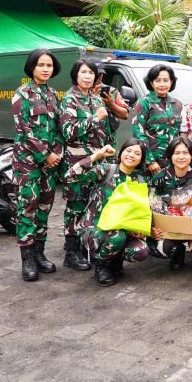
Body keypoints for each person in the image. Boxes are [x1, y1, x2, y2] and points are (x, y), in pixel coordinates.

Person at [60, 59, 116, 273]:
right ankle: (71, 252)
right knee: (75, 205)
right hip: (78, 162)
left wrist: (108, 148)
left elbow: (102, 131)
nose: (88, 76)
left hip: (99, 160)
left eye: (91, 73)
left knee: (92, 204)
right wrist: (94, 118)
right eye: (84, 72)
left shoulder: (95, 98)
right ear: (76, 75)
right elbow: (67, 133)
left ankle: (86, 248)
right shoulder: (69, 100)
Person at [12, 49, 63, 282]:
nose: (45, 69)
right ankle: (28, 259)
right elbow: (24, 130)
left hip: (50, 165)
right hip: (28, 163)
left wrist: (57, 155)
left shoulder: (53, 95)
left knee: (44, 209)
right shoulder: (22, 94)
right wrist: (45, 155)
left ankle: (40, 254)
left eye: (49, 65)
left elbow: (59, 130)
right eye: (41, 65)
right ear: (31, 67)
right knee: (27, 209)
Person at [69, 139, 149, 287]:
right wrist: (97, 155)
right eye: (128, 150)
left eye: (137, 153)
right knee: (117, 236)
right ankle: (102, 266)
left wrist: (139, 229)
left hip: (123, 230)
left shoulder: (139, 180)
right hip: (94, 229)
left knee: (141, 250)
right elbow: (71, 175)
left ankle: (115, 259)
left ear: (141, 160)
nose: (132, 155)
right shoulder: (106, 170)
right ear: (121, 152)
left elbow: (140, 210)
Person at [149, 137, 192, 283]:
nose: (181, 157)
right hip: (171, 225)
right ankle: (177, 252)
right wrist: (153, 228)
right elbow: (152, 206)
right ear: (170, 156)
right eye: (177, 153)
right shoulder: (160, 177)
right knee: (159, 248)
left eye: (185, 153)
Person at [132, 64, 183, 175]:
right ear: (151, 82)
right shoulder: (144, 103)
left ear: (172, 82)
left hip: (173, 162)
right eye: (157, 80)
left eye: (166, 80)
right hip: (151, 164)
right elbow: (139, 134)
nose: (162, 84)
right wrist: (150, 161)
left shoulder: (177, 104)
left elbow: (179, 133)